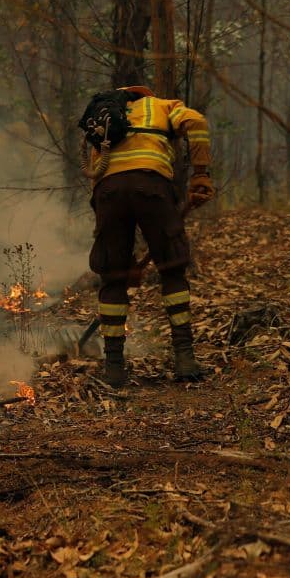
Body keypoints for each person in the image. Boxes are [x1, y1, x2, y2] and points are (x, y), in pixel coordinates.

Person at [85, 85, 214, 386]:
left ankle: (114, 366)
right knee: (171, 269)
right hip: (152, 187)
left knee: (113, 278)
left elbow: (95, 173)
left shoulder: (102, 120)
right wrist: (201, 173)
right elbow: (196, 122)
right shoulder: (161, 105)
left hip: (108, 193)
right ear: (145, 94)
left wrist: (120, 260)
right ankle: (184, 357)